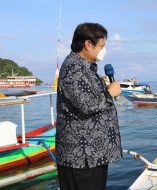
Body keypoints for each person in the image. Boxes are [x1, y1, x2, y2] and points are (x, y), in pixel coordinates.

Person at [56, 22, 122, 190]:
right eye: (101, 45)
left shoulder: (85, 68)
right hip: (81, 157)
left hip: (92, 155)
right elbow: (86, 105)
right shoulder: (73, 68)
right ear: (87, 44)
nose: (103, 50)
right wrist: (110, 94)